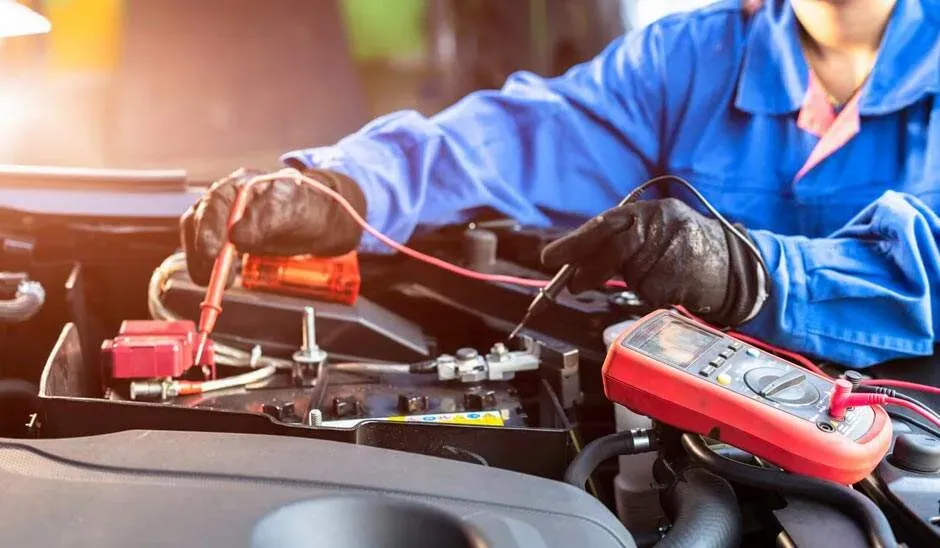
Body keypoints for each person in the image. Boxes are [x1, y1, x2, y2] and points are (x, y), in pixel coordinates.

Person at [181, 0, 940, 369]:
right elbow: (522, 136)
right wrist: (349, 185)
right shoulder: (690, 58)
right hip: (695, 428)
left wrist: (758, 277)